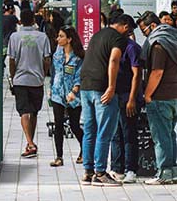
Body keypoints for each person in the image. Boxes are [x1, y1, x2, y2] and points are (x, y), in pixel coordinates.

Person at [80, 14, 135, 186]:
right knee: (105, 131)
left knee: (90, 129)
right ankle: (100, 173)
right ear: (125, 26)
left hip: (85, 86)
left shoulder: (98, 34)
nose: (129, 34)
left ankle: (88, 172)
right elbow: (114, 60)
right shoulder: (119, 38)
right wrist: (111, 87)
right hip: (102, 88)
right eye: (130, 31)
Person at [136, 11, 177, 185]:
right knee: (170, 135)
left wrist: (147, 94)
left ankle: (164, 173)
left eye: (144, 31)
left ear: (153, 26)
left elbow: (157, 71)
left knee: (161, 137)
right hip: (174, 95)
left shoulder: (159, 44)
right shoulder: (173, 38)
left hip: (161, 96)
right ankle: (173, 171)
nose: (145, 35)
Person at [8, 9, 51, 158]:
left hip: (20, 79)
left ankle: (30, 143)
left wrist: (13, 77)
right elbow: (47, 59)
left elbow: (12, 60)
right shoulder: (42, 37)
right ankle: (30, 143)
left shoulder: (15, 37)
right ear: (34, 20)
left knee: (24, 112)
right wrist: (43, 74)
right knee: (34, 112)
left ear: (21, 20)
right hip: (36, 80)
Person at [109, 15, 143, 183]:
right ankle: (117, 168)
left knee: (129, 133)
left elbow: (137, 74)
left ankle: (131, 169)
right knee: (115, 134)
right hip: (114, 96)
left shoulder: (132, 48)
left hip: (128, 96)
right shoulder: (114, 46)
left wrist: (132, 99)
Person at [50, 26, 84, 167]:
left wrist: (74, 91)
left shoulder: (78, 58)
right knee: (58, 125)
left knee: (74, 125)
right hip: (58, 95)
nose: (58, 39)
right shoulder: (57, 55)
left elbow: (79, 76)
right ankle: (59, 156)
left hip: (74, 97)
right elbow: (54, 73)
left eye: (61, 36)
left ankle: (85, 150)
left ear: (69, 39)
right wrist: (52, 88)